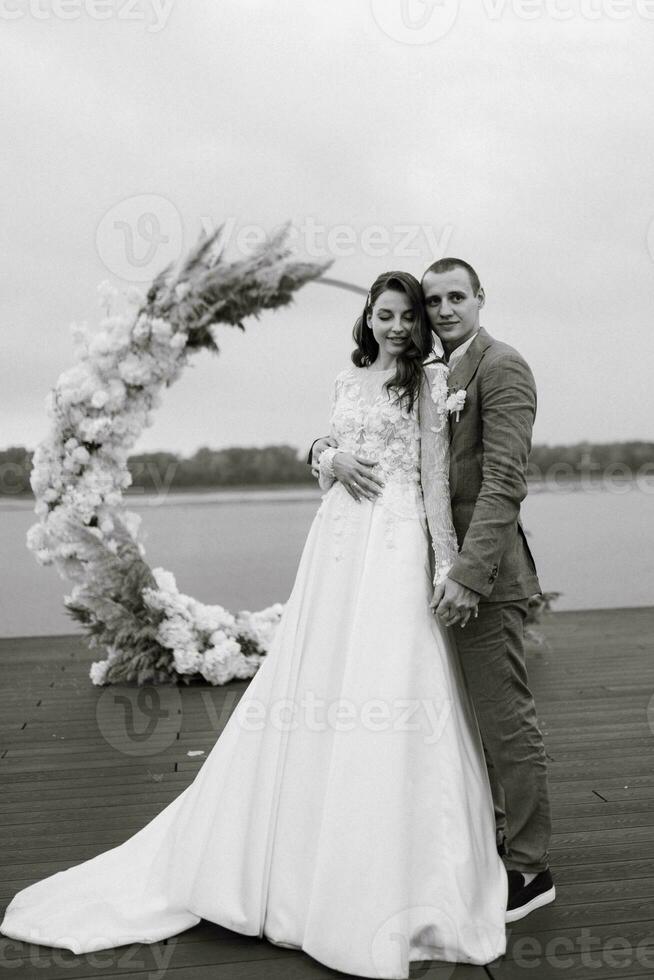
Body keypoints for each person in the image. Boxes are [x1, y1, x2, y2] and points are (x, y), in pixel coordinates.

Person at [1, 271, 508, 980]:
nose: (396, 326)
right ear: (369, 317)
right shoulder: (347, 378)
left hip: (392, 547)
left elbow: (428, 478)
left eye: (406, 317)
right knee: (318, 675)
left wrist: (444, 566)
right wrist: (324, 457)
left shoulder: (426, 383)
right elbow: (327, 448)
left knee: (390, 676)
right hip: (335, 547)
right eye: (385, 314)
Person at [310, 258, 555, 924]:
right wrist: (324, 453)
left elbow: (504, 484)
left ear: (480, 297)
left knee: (506, 722)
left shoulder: (501, 367)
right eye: (434, 300)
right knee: (457, 715)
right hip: (420, 567)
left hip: (482, 574)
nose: (444, 309)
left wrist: (465, 576)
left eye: (455, 297)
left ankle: (530, 869)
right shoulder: (428, 373)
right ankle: (483, 837)